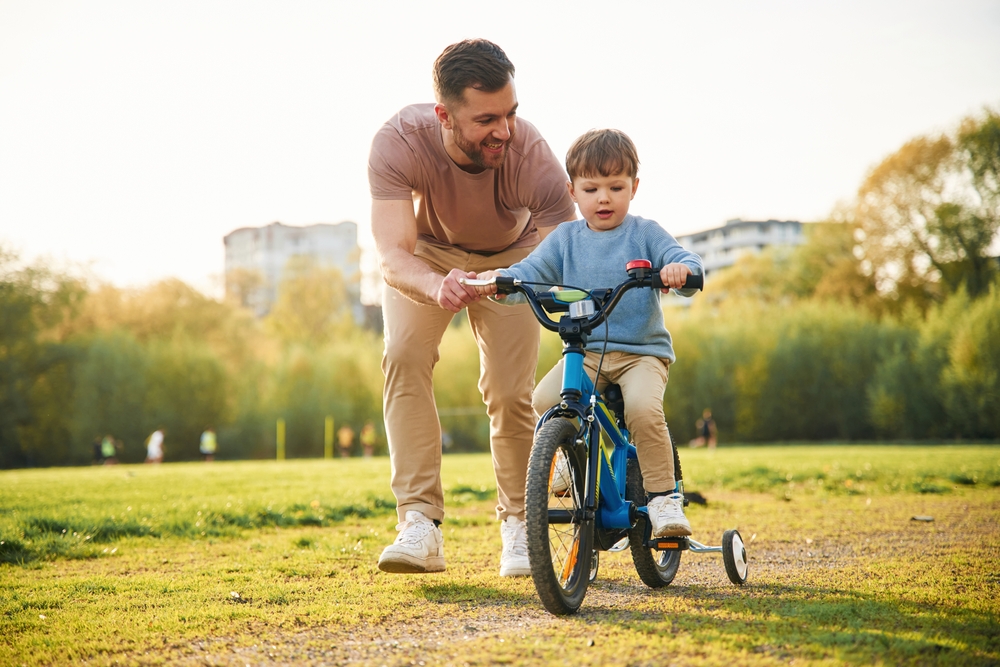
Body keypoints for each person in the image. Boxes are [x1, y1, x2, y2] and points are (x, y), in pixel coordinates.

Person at [368, 39, 577, 576]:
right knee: (403, 356)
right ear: (444, 115)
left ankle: (518, 525)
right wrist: (437, 285)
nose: (504, 130)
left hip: (514, 257)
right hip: (429, 253)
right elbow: (392, 255)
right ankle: (419, 524)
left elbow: (571, 255)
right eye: (487, 119)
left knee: (510, 391)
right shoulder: (398, 142)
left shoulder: (532, 157)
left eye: (510, 113)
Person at [472, 128, 704, 539]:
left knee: (643, 411)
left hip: (641, 354)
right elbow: (530, 273)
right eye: (591, 188)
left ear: (634, 187)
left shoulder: (644, 233)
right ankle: (564, 458)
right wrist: (503, 280)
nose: (604, 198)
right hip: (587, 352)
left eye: (616, 187)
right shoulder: (564, 240)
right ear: (572, 191)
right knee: (543, 400)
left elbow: (682, 259)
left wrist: (678, 270)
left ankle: (664, 499)